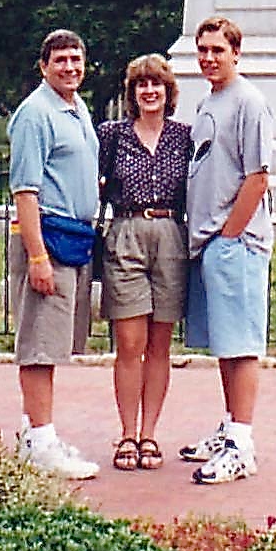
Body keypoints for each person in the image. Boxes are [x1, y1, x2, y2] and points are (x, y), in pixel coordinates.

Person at [179, 16, 274, 484]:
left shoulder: (249, 103)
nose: (209, 58)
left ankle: (242, 442)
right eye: (203, 50)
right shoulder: (209, 102)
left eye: (218, 49)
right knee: (224, 343)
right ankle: (230, 426)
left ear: (236, 52)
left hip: (233, 241)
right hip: (207, 242)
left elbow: (258, 177)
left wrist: (230, 235)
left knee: (242, 345)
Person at [8, 28, 101, 479]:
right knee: (39, 344)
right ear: (43, 65)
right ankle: (41, 441)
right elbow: (25, 190)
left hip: (75, 238)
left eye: (76, 59)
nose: (70, 67)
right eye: (61, 59)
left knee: (56, 342)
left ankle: (36, 432)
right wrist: (36, 256)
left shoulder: (77, 108)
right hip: (48, 238)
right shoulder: (35, 114)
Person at [96, 54, 193, 470]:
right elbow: (94, 185)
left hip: (170, 232)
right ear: (132, 92)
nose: (149, 91)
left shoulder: (183, 137)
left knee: (159, 344)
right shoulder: (113, 134)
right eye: (141, 85)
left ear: (168, 92)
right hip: (127, 232)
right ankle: (126, 435)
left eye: (156, 84)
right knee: (130, 343)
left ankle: (150, 433)